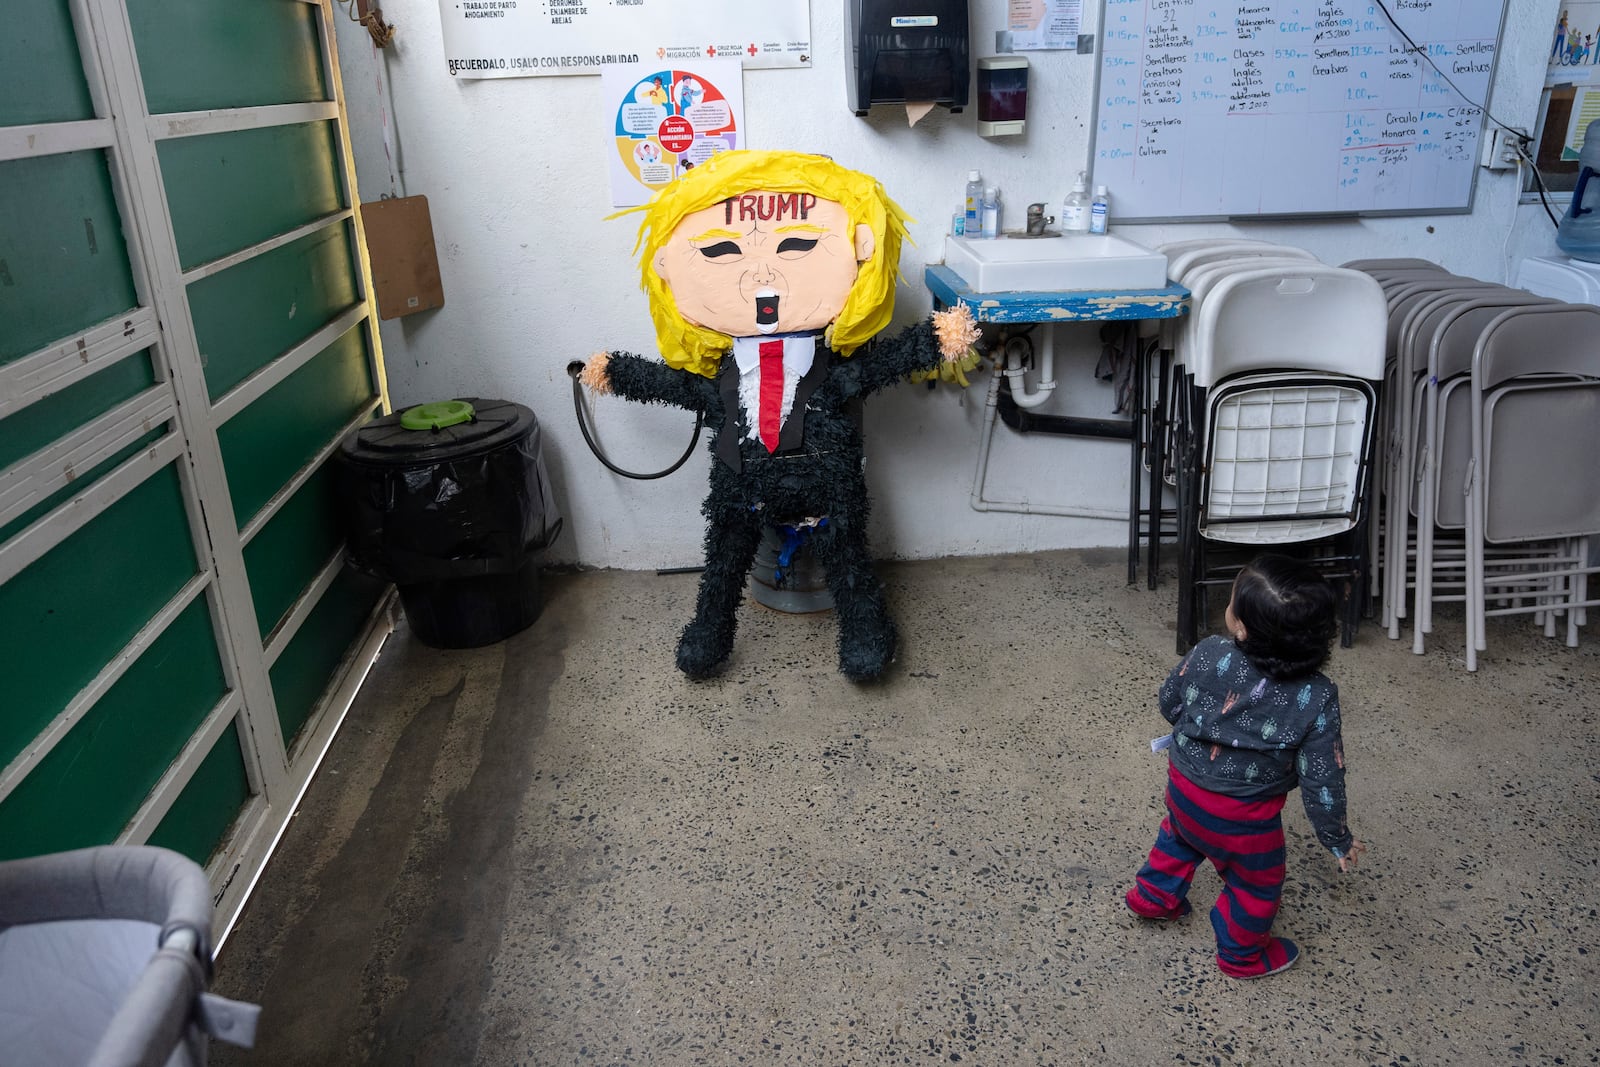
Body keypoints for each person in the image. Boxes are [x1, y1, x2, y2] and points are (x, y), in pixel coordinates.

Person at [578, 151, 977, 681]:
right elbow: (677, 387)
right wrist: (619, 372)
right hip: (740, 483)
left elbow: (876, 368)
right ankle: (710, 630)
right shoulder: (723, 376)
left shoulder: (831, 369)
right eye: (722, 251)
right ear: (667, 267)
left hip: (828, 485)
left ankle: (864, 628)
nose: (761, 276)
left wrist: (933, 340)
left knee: (847, 554)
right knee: (723, 558)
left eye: (799, 244)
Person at [1125, 554, 1366, 979]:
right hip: (1245, 818)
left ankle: (1154, 896)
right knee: (1257, 884)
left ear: (1240, 626)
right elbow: (1322, 778)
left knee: (1180, 835)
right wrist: (1337, 837)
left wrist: (1196, 725)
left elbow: (1170, 700)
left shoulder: (1209, 652)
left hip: (1184, 786)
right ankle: (1241, 955)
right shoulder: (1318, 696)